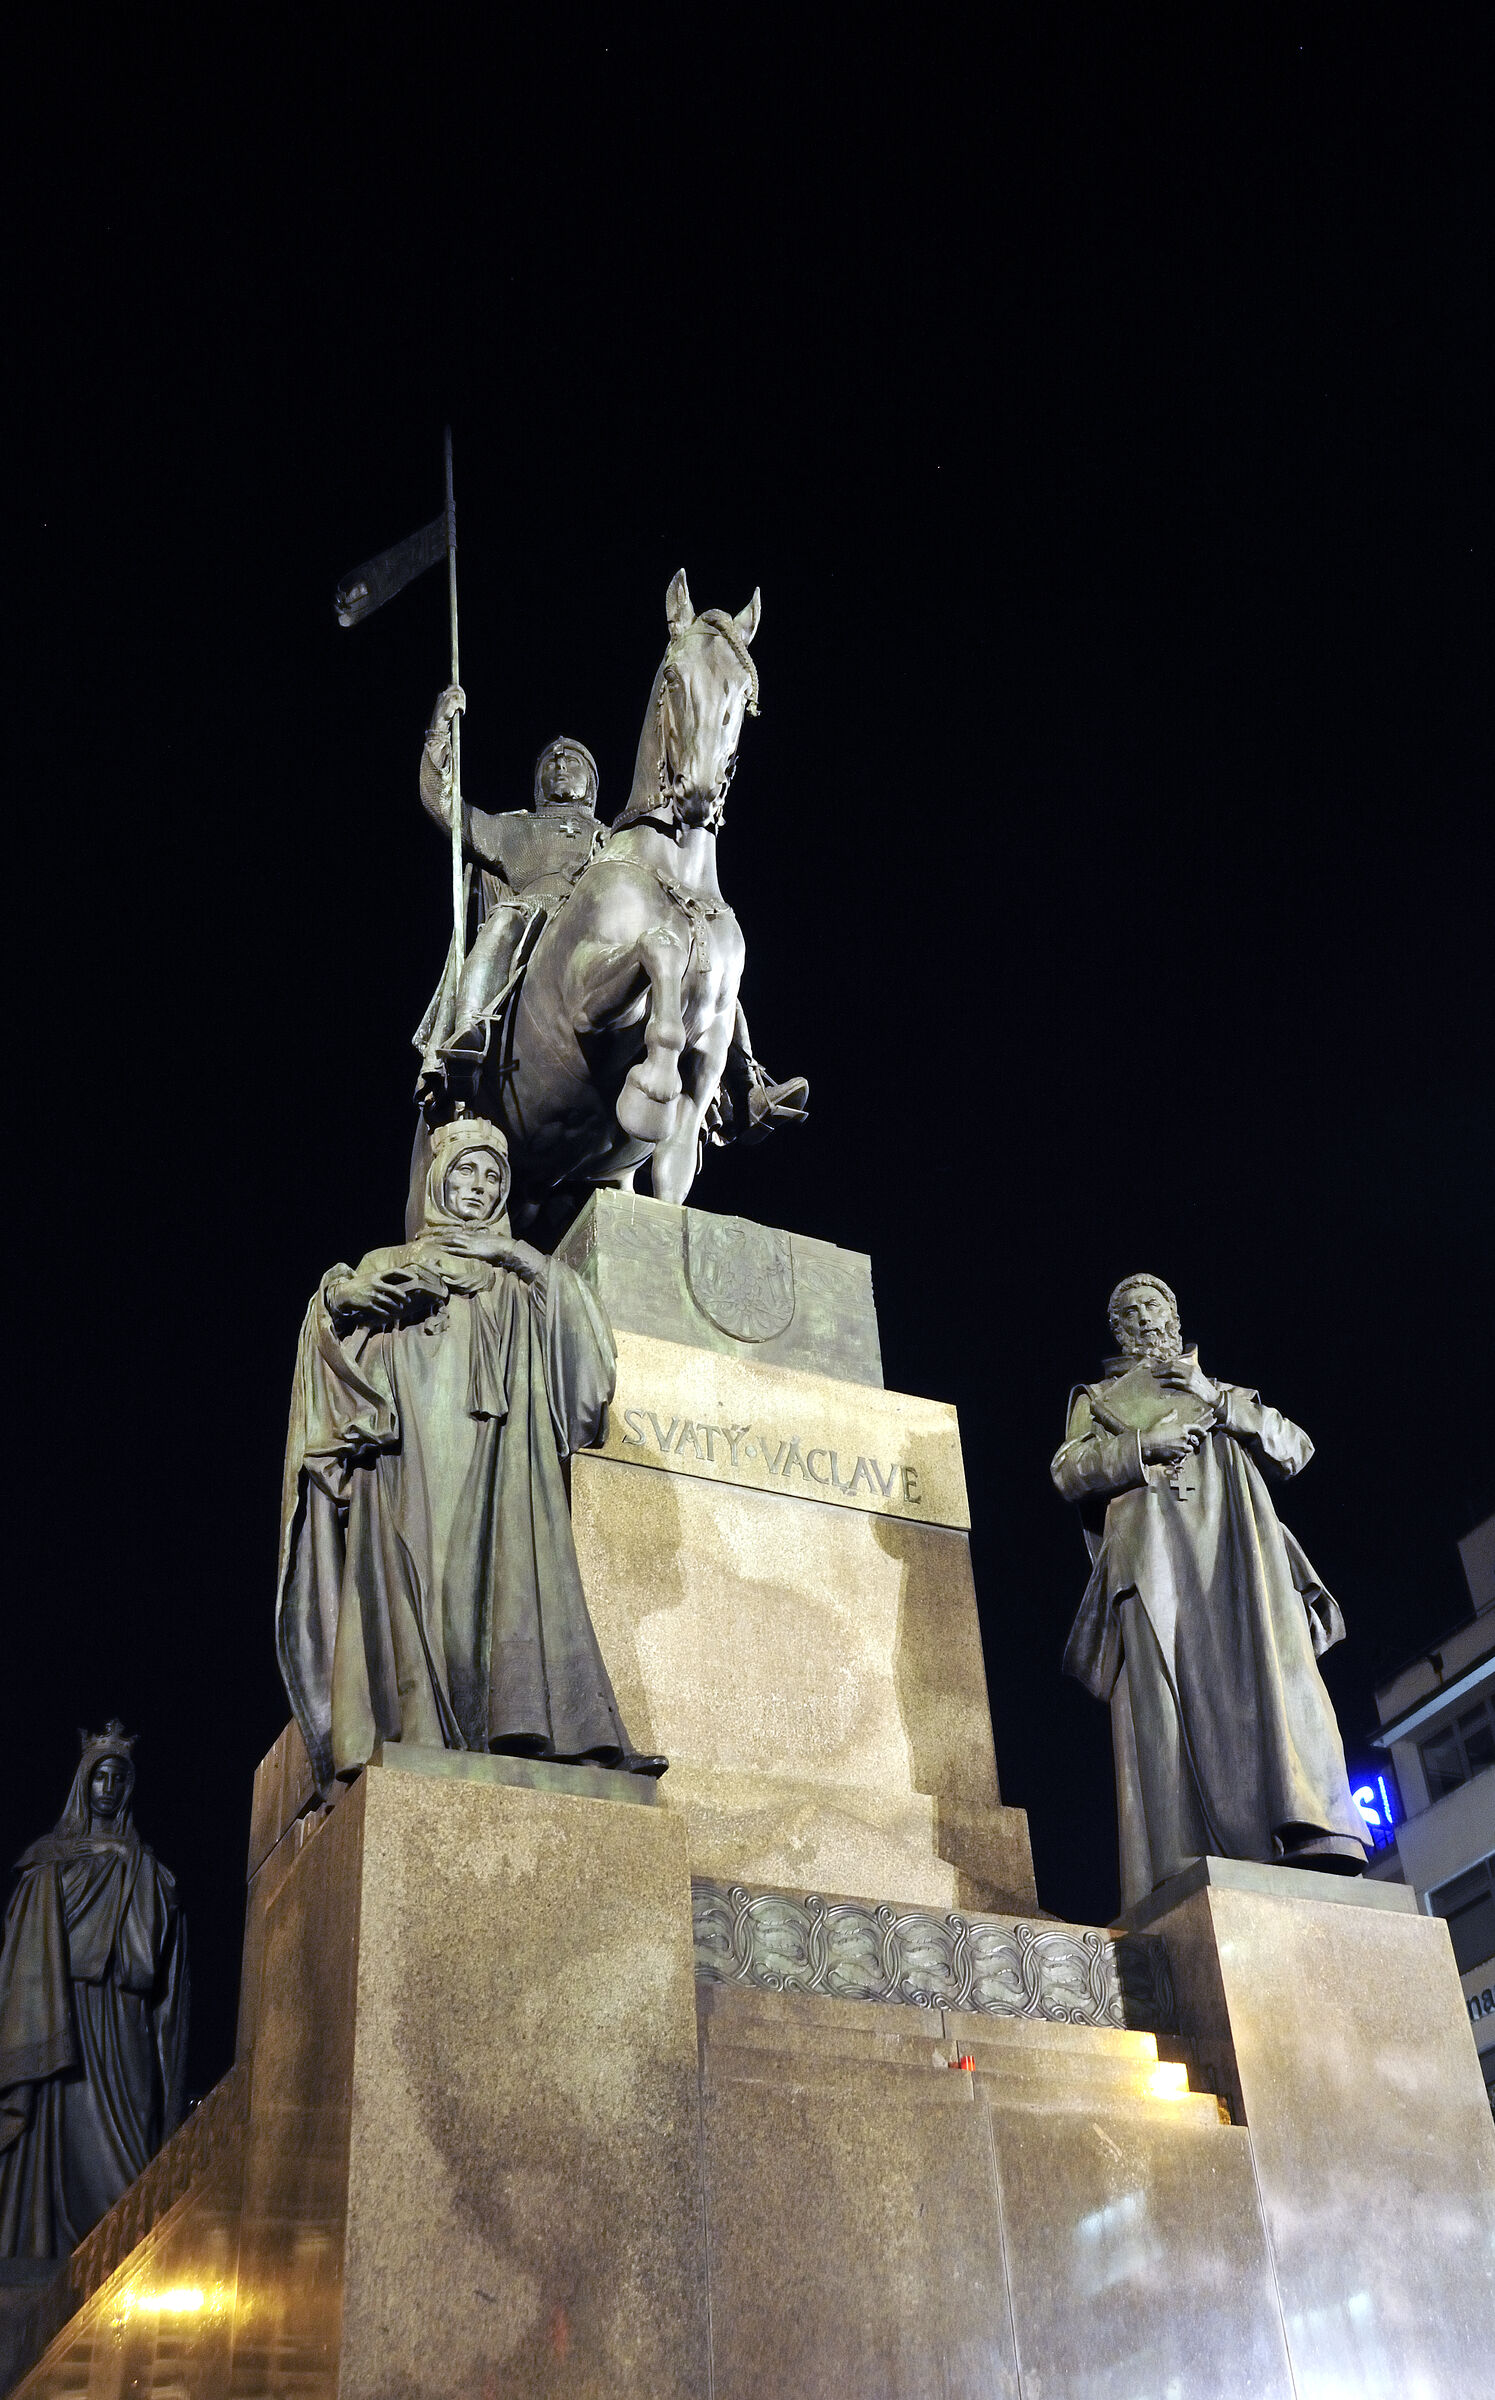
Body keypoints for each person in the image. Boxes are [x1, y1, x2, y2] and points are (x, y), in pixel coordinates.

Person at [276, 1116, 665, 1788]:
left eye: (493, 1175)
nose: (479, 1186)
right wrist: (339, 1297)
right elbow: (329, 1345)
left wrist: (517, 1256)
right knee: (421, 1580)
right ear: (438, 1180)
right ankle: (421, 1728)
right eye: (466, 1170)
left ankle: (525, 1727)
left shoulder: (518, 1274)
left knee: (512, 1580)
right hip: (409, 1458)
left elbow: (589, 1361)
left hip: (504, 1458)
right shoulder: (388, 1262)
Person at [1052, 1273, 1366, 1911]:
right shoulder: (1100, 1399)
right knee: (1166, 1704)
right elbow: (1067, 1470)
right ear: (1117, 1330)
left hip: (1241, 1561)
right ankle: (1182, 1861)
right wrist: (1143, 1445)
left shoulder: (1220, 1390)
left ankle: (1301, 1825)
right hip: (1154, 1560)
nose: (1143, 1317)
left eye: (1152, 1305)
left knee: (1271, 1682)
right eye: (1128, 1311)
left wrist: (1215, 1400)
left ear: (1173, 1315)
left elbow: (1295, 1448)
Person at [0, 1725, 188, 2256]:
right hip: (60, 2013)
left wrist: (144, 1877)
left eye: (119, 1778)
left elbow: (162, 1957)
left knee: (127, 2157)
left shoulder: (147, 1866)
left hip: (120, 2012)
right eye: (100, 1777)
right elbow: (22, 1941)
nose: (108, 1788)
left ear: (129, 1788)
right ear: (84, 1784)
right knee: (53, 2143)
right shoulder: (48, 1860)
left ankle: (130, 2251)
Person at [415, 695, 605, 1082]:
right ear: (538, 783)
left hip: (597, 922)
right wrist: (438, 733)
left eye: (573, 761)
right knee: (502, 921)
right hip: (531, 915)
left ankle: (719, 1061)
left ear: (590, 782)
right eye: (551, 762)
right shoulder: (513, 829)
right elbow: (446, 807)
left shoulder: (613, 836)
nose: (561, 765)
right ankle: (469, 1031)